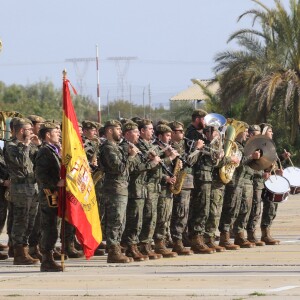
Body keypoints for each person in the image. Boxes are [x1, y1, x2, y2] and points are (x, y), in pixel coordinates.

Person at [98, 120, 138, 263]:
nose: (120, 132)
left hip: (121, 187)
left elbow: (127, 169)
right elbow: (119, 168)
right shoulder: (108, 147)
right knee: (115, 220)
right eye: (118, 129)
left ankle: (117, 247)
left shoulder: (116, 146)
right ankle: (113, 251)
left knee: (121, 220)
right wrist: (131, 156)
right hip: (114, 188)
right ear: (109, 131)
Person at [121, 121, 160, 261]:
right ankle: (131, 246)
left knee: (140, 218)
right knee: (134, 218)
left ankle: (137, 245)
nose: (138, 134)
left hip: (141, 187)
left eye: (138, 132)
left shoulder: (134, 147)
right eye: (135, 132)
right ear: (127, 134)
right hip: (134, 187)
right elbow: (133, 168)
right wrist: (151, 163)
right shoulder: (126, 147)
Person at [4, 118, 39, 265]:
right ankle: (19, 253)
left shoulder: (29, 145)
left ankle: (25, 249)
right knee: (21, 222)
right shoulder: (11, 146)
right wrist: (25, 145)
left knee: (30, 222)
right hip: (20, 190)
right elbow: (22, 163)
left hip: (32, 188)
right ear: (21, 131)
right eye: (29, 130)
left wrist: (38, 146)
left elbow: (38, 160)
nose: (32, 133)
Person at [169, 121, 203, 255]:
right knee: (180, 211)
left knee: (185, 212)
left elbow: (191, 162)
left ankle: (182, 238)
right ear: (172, 133)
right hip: (179, 182)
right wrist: (197, 149)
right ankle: (177, 240)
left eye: (183, 131)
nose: (183, 133)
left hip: (188, 181)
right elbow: (187, 161)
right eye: (180, 131)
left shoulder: (184, 144)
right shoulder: (173, 145)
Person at [35, 122, 64, 272]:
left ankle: (50, 255)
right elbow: (40, 175)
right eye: (56, 131)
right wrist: (56, 183)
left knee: (55, 226)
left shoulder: (55, 150)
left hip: (56, 193)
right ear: (47, 135)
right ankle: (46, 259)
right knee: (49, 227)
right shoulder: (44, 152)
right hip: (49, 194)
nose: (59, 134)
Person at [259, 123, 290, 245]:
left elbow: (273, 161)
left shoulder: (270, 145)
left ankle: (267, 233)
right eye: (270, 131)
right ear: (264, 132)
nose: (272, 133)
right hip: (264, 180)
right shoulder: (259, 146)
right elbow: (255, 162)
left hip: (273, 179)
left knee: (272, 207)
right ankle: (263, 234)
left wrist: (282, 158)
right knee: (264, 208)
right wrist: (264, 173)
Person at [153, 124, 178, 258]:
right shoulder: (155, 149)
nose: (170, 138)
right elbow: (154, 169)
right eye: (167, 135)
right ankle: (158, 243)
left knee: (167, 216)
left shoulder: (168, 148)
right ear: (160, 136)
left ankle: (163, 241)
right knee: (161, 216)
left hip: (168, 188)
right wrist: (165, 178)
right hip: (160, 187)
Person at [246, 125, 265, 246]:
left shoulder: (262, 147)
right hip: (247, 180)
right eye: (256, 133)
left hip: (258, 181)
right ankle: (242, 234)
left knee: (256, 209)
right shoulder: (246, 147)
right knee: (246, 209)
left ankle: (252, 233)